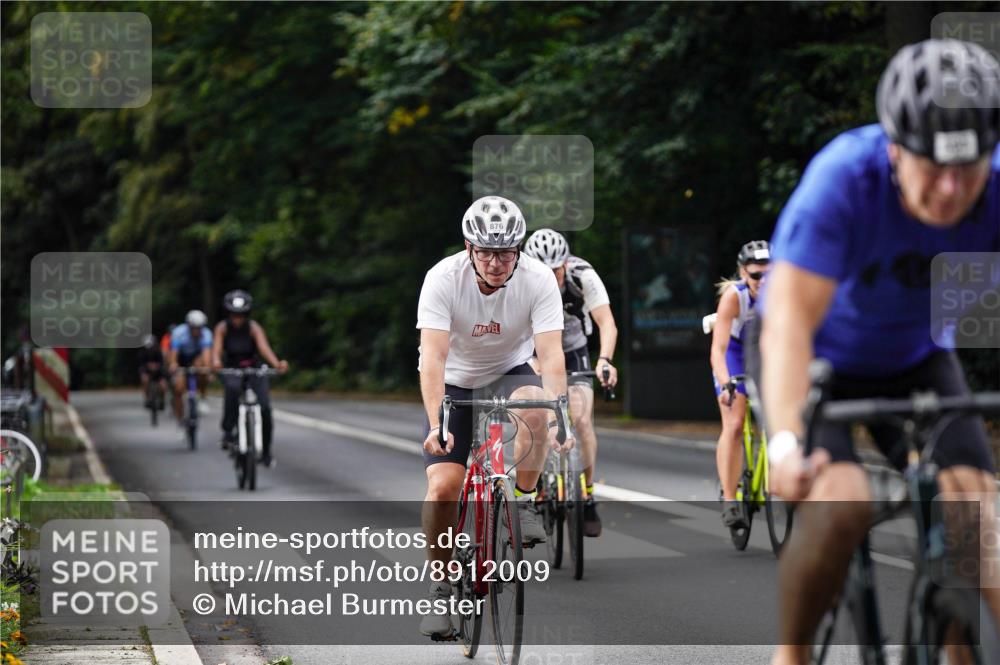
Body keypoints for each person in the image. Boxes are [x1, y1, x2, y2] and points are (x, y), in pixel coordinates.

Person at [759, 39, 1000, 665]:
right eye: (932, 168)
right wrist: (784, 444)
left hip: (916, 356)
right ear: (895, 149)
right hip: (820, 361)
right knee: (841, 505)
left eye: (969, 170)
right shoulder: (843, 181)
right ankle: (791, 655)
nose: (950, 191)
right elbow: (786, 322)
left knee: (981, 525)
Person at [416, 196, 572, 639]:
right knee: (443, 485)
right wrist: (435, 424)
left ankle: (521, 498)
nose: (496, 262)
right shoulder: (443, 278)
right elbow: (432, 357)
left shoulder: (539, 278)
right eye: (486, 251)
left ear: (519, 249)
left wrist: (560, 413)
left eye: (506, 252)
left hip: (509, 371)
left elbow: (551, 352)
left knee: (535, 408)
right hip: (453, 379)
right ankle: (442, 587)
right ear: (469, 247)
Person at [523, 228, 618, 536]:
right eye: (545, 272)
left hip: (573, 349)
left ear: (566, 263)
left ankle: (586, 493)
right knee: (535, 414)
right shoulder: (520, 280)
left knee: (581, 418)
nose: (553, 278)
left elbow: (607, 323)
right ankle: (535, 487)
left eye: (557, 270)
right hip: (534, 349)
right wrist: (531, 364)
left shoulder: (582, 275)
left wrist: (604, 360)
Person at [709, 240, 770, 529]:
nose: (763, 281)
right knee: (734, 423)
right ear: (743, 274)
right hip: (733, 355)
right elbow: (718, 350)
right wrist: (725, 384)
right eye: (756, 275)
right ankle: (731, 498)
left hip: (765, 354)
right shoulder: (735, 297)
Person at [211, 289, 288, 467]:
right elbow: (216, 349)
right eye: (234, 315)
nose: (237, 319)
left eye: (241, 315)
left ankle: (266, 450)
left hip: (254, 369)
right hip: (232, 369)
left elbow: (264, 348)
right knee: (231, 390)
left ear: (247, 314)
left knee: (265, 408)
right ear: (228, 314)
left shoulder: (254, 328)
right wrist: (215, 362)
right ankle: (228, 432)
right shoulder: (222, 328)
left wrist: (277, 364)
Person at [167, 310, 213, 428]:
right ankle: (180, 418)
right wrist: (173, 364)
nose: (196, 330)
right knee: (178, 388)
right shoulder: (178, 333)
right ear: (188, 326)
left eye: (199, 327)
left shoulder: (206, 334)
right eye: (194, 328)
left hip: (196, 358)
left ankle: (202, 397)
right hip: (181, 358)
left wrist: (208, 370)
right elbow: (174, 353)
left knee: (203, 368)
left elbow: (206, 354)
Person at [137, 334, 168, 409]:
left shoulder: (159, 352)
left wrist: (157, 366)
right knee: (145, 380)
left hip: (159, 372)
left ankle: (162, 401)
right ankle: (147, 399)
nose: (150, 349)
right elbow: (141, 365)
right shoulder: (142, 352)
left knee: (163, 386)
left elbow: (162, 364)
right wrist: (148, 367)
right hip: (147, 371)